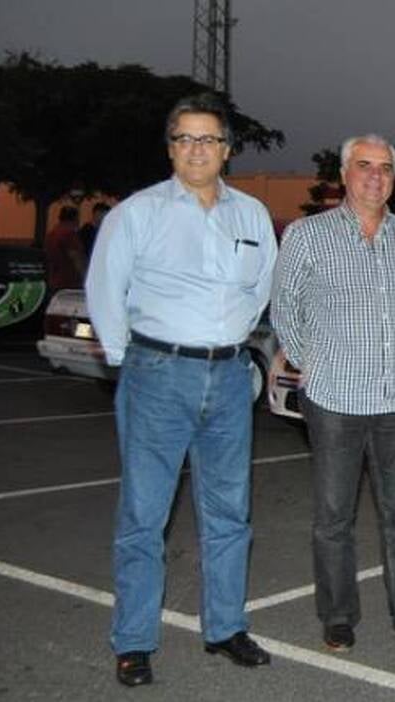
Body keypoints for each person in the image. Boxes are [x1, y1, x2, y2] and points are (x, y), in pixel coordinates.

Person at [85, 93, 277, 687]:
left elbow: (262, 286)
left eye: (208, 139)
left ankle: (225, 627)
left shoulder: (251, 215)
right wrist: (130, 362)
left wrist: (231, 339)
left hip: (230, 377)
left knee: (229, 512)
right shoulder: (137, 213)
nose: (197, 150)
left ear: (227, 150)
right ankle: (134, 641)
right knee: (144, 516)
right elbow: (104, 288)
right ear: (170, 149)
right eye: (184, 139)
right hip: (157, 375)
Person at [270, 134, 395, 654]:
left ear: (394, 178)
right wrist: (309, 361)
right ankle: (338, 616)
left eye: (385, 167)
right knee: (334, 517)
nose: (375, 176)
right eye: (364, 165)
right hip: (335, 400)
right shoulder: (308, 235)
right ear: (344, 173)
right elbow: (284, 306)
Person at [44, 205, 86, 291]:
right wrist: (85, 277)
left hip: (54, 281)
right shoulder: (69, 234)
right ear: (75, 219)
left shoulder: (52, 234)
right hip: (69, 282)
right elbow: (76, 258)